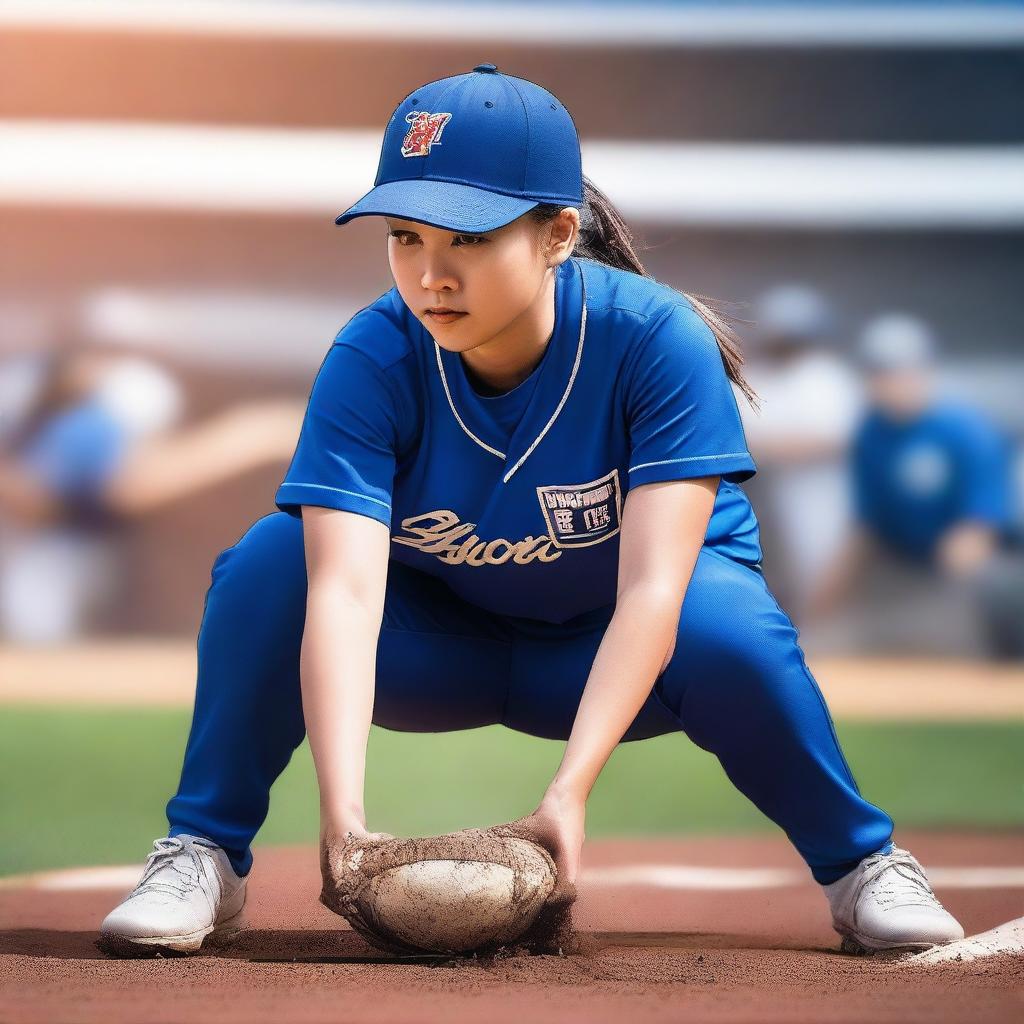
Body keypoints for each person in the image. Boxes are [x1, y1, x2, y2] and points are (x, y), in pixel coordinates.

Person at [98, 64, 963, 958]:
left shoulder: (654, 340)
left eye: (465, 240)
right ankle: (204, 851)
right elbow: (347, 595)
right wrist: (341, 819)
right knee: (270, 564)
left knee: (725, 618)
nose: (429, 276)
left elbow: (656, 594)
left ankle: (862, 864)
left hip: (613, 651)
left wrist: (568, 795)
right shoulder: (373, 352)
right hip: (437, 646)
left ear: (556, 234)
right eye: (403, 237)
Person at [806, 313, 1024, 659]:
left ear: (925, 372)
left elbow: (979, 530)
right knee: (838, 646)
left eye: (902, 371)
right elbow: (865, 526)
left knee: (960, 631)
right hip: (899, 564)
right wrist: (823, 601)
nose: (893, 383)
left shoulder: (966, 429)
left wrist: (946, 599)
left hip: (964, 570)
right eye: (881, 373)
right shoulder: (872, 432)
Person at [737, 284, 862, 621]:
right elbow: (736, 438)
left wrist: (772, 448)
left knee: (820, 568)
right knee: (762, 572)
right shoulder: (753, 375)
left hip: (818, 489)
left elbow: (832, 439)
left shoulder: (826, 376)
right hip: (758, 490)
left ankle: (823, 633)